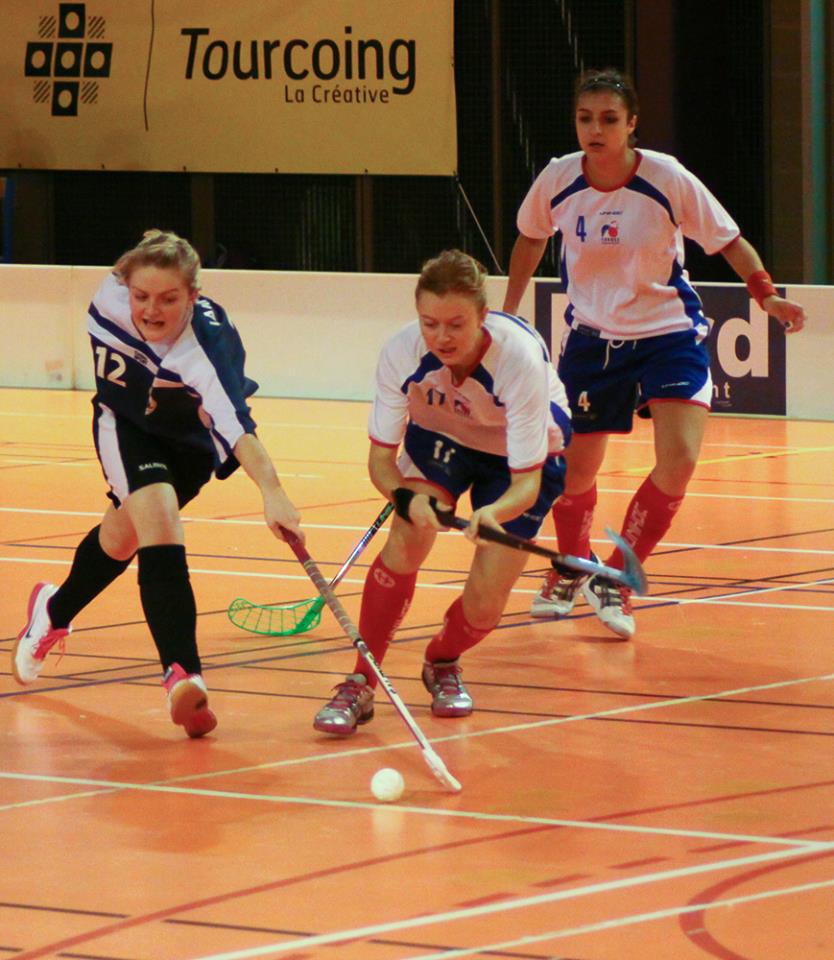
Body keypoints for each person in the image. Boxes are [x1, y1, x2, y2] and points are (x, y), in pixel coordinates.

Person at [503, 68, 807, 641]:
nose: (595, 130)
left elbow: (727, 239)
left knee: (681, 459)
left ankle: (616, 575)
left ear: (632, 124)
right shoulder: (557, 180)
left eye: (609, 120)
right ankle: (571, 566)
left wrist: (766, 294)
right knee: (573, 474)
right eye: (585, 118)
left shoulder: (666, 178)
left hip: (670, 334)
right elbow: (530, 237)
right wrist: (510, 312)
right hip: (593, 341)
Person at [12, 230, 304, 736]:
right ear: (124, 286)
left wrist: (272, 490)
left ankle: (52, 609)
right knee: (160, 521)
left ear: (194, 295)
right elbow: (141, 259)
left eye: (169, 298)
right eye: (141, 296)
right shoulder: (109, 296)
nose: (151, 310)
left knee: (121, 537)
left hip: (189, 441)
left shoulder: (206, 347)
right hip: (125, 425)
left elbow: (237, 427)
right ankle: (182, 673)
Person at [312, 249, 572, 735]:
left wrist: (492, 513)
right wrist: (406, 499)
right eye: (429, 323)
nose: (441, 337)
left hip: (518, 459)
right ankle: (361, 681)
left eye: (456, 324)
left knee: (485, 603)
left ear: (483, 315)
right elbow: (380, 463)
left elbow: (526, 484)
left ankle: (442, 661)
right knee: (406, 537)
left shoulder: (517, 360)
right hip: (444, 435)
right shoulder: (401, 353)